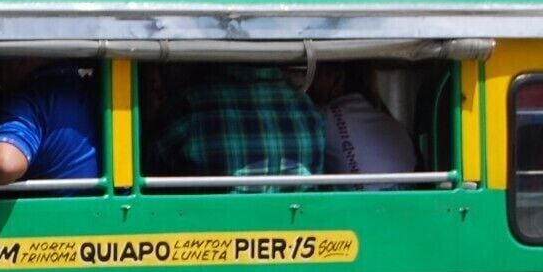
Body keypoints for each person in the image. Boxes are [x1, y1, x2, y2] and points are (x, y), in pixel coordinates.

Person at [147, 63, 324, 182]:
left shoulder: (190, 104)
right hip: (295, 229)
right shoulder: (306, 105)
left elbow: (152, 165)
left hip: (206, 227)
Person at [0, 60, 100, 185]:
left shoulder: (29, 99)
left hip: (48, 208)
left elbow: (4, 163)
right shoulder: (100, 90)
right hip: (99, 207)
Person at [311, 64, 418, 176]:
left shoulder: (321, 116)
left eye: (317, 75)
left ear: (338, 78)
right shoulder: (398, 127)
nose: (312, 84)